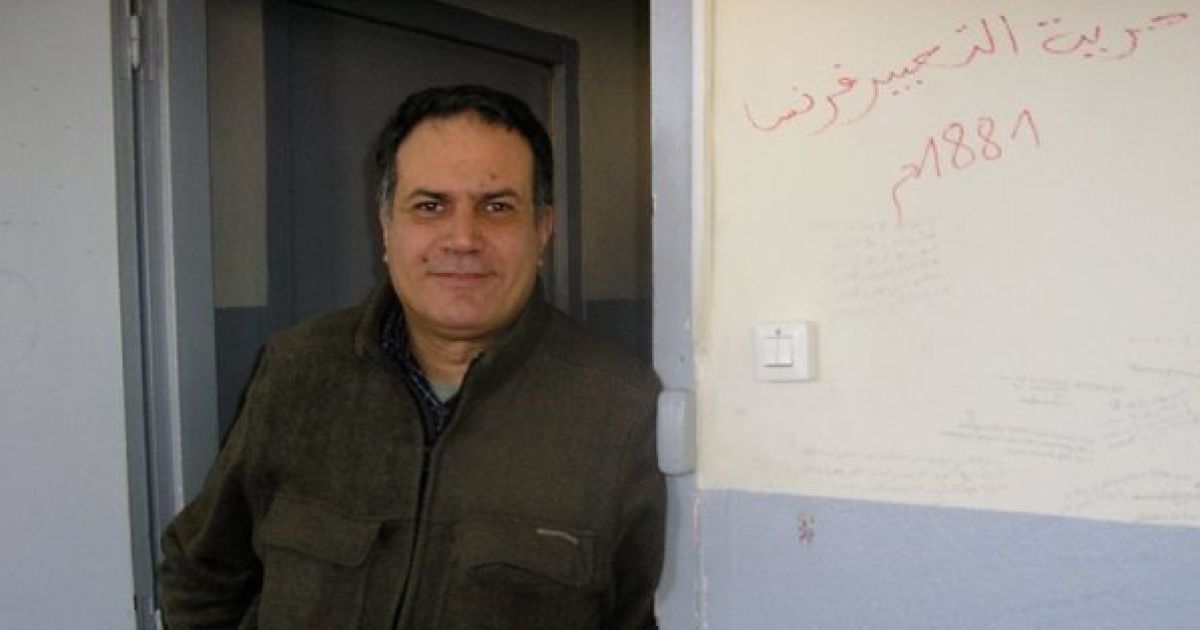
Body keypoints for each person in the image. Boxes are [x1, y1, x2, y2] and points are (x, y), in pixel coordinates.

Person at [159, 85, 665, 629]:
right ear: (386, 228)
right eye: (430, 206)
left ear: (542, 229)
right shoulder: (296, 372)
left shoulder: (620, 406)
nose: (462, 238)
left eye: (497, 207)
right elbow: (203, 576)